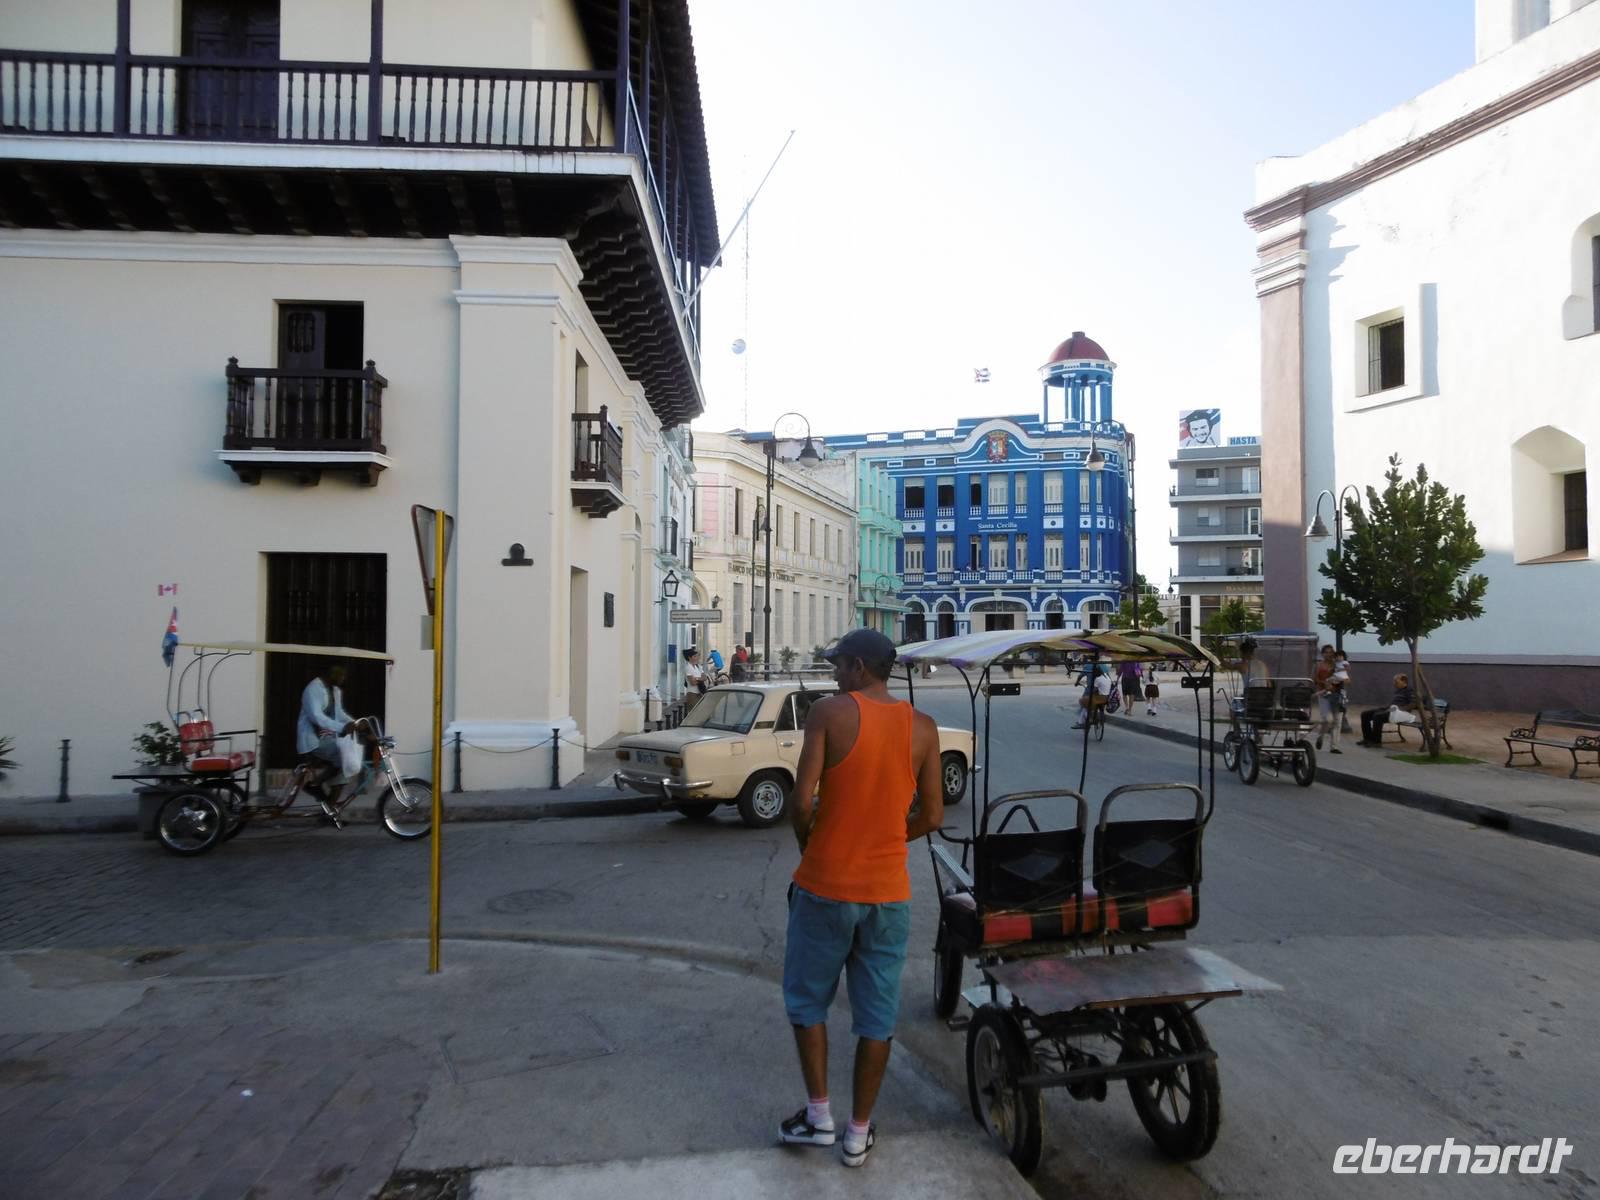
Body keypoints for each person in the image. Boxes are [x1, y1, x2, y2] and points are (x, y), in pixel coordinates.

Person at [778, 628, 943, 1168]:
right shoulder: (922, 727)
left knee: (807, 1003)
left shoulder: (829, 713)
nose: (833, 673)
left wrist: (813, 848)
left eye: (838, 664)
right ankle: (857, 1133)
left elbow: (802, 803)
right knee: (877, 1018)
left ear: (858, 666)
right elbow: (933, 816)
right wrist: (888, 836)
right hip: (888, 894)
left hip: (824, 885)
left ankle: (819, 1115)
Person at [297, 663, 357, 811]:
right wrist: (343, 727)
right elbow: (317, 717)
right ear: (332, 675)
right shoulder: (313, 689)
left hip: (329, 738)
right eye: (341, 676)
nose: (343, 679)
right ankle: (314, 784)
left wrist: (354, 723)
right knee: (344, 757)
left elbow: (339, 713)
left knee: (343, 773)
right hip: (314, 740)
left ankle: (330, 812)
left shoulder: (335, 690)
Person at [1360, 673, 1416, 746]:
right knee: (1365, 714)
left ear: (1404, 681)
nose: (1394, 684)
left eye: (1396, 682)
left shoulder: (1410, 690)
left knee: (1377, 716)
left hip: (1401, 712)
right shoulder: (1398, 690)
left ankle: (1376, 742)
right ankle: (1367, 739)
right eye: (1394, 682)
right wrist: (1387, 708)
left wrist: (1400, 709)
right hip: (1392, 709)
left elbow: (1413, 704)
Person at [1313, 644, 1343, 754]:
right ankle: (1321, 735)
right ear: (1322, 654)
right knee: (1327, 719)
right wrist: (1324, 683)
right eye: (1326, 652)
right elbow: (1315, 679)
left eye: (1330, 652)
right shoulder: (1319, 665)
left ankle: (1334, 746)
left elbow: (1344, 678)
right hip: (1323, 694)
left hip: (1337, 695)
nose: (1328, 654)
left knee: (1337, 721)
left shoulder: (1338, 665)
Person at [1072, 664, 1113, 729]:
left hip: (1096, 695)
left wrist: (1077, 682)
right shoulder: (1105, 670)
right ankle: (1093, 715)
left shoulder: (1096, 677)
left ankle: (1082, 722)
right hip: (1106, 697)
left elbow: (1093, 689)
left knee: (1084, 704)